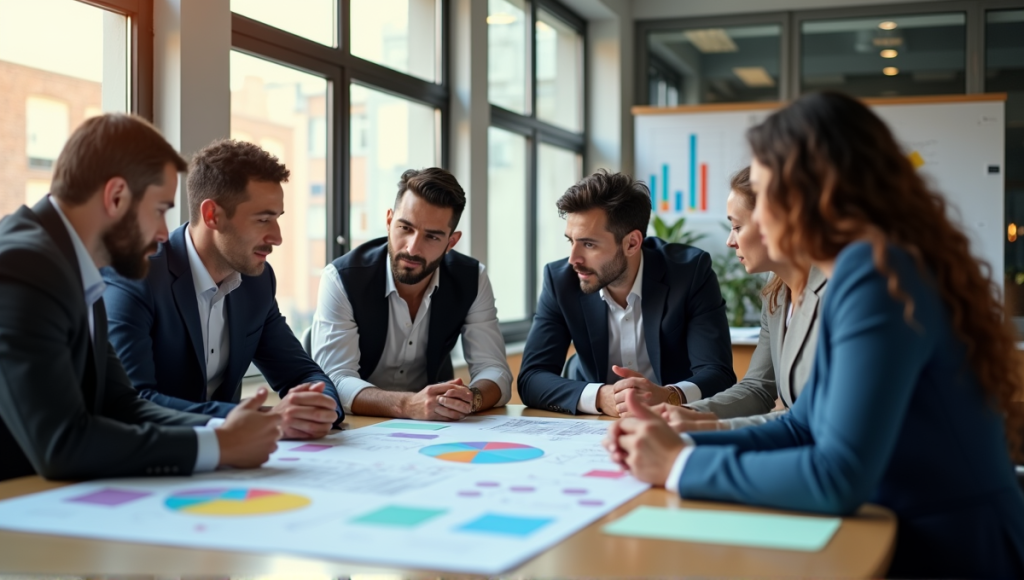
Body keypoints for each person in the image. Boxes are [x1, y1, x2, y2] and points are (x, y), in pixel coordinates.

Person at [604, 92, 1024, 578]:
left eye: (763, 196)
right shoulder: (858, 270)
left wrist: (677, 467)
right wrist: (690, 442)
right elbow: (803, 424)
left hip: (955, 552)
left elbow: (837, 475)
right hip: (902, 533)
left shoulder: (876, 273)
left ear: (807, 194)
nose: (749, 222)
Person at [0, 114, 281, 482]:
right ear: (116, 196)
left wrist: (229, 427)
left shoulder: (73, 266)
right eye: (160, 210)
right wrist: (218, 446)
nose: (165, 233)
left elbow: (122, 405)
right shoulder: (23, 267)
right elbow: (62, 443)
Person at [103, 139, 341, 440]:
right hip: (150, 460)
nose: (277, 236)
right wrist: (252, 419)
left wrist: (322, 407)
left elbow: (303, 374)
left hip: (231, 465)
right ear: (212, 215)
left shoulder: (257, 281)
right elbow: (132, 401)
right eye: (263, 219)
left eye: (277, 218)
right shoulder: (136, 275)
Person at [517, 169, 736, 417]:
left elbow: (718, 374)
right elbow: (531, 378)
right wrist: (600, 397)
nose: (573, 259)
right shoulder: (561, 281)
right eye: (571, 241)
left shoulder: (689, 273)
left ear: (632, 243)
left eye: (589, 244)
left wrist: (670, 395)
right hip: (591, 424)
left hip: (671, 422)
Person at [311, 167, 512, 421]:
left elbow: (495, 371)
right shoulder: (341, 278)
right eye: (405, 228)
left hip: (434, 425)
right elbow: (336, 379)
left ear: (451, 242)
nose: (412, 248)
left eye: (432, 236)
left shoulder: (472, 278)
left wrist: (470, 399)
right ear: (388, 221)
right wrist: (406, 405)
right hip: (358, 424)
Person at [657, 167, 827, 431]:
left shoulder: (836, 295)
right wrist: (688, 413)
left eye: (737, 226)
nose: (730, 241)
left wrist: (711, 427)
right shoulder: (776, 294)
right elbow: (758, 388)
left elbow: (817, 417)